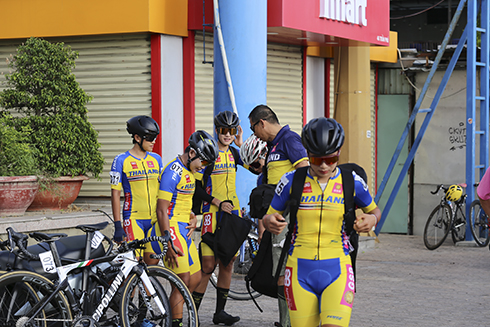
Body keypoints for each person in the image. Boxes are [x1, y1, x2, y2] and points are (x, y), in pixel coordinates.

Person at [262, 117, 381, 327]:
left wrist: (371, 219)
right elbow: (269, 215)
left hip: (338, 269)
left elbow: (375, 212)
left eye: (331, 159)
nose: (324, 166)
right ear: (308, 154)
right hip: (299, 270)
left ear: (339, 153)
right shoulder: (291, 180)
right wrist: (270, 221)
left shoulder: (351, 181)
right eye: (317, 160)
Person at [146, 130, 219, 327]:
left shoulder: (191, 170)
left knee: (194, 279)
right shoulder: (173, 171)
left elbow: (182, 202)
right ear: (192, 153)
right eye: (203, 162)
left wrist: (193, 217)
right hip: (169, 229)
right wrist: (167, 241)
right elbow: (162, 210)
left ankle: (169, 316)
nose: (203, 167)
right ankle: (174, 323)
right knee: (182, 281)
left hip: (183, 229)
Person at [248, 104, 309, 327]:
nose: (254, 133)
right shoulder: (273, 145)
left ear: (262, 123)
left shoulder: (289, 139)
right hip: (277, 220)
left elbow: (304, 170)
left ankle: (290, 322)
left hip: (289, 219)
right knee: (280, 273)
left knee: (285, 274)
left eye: (253, 127)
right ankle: (286, 320)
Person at [192, 111, 246, 326]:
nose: (227, 135)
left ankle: (220, 313)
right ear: (217, 130)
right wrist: (215, 201)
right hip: (212, 215)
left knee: (228, 262)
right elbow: (196, 187)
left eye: (232, 131)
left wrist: (242, 145)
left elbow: (259, 166)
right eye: (224, 130)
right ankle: (192, 310)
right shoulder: (207, 152)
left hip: (232, 214)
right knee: (207, 265)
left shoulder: (235, 152)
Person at [109, 115, 162, 260]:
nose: (154, 141)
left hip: (154, 220)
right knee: (132, 264)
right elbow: (115, 194)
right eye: (150, 138)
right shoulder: (121, 160)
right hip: (133, 219)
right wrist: (118, 225)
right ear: (137, 138)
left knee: (151, 265)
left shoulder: (156, 159)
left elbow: (163, 190)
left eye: (155, 137)